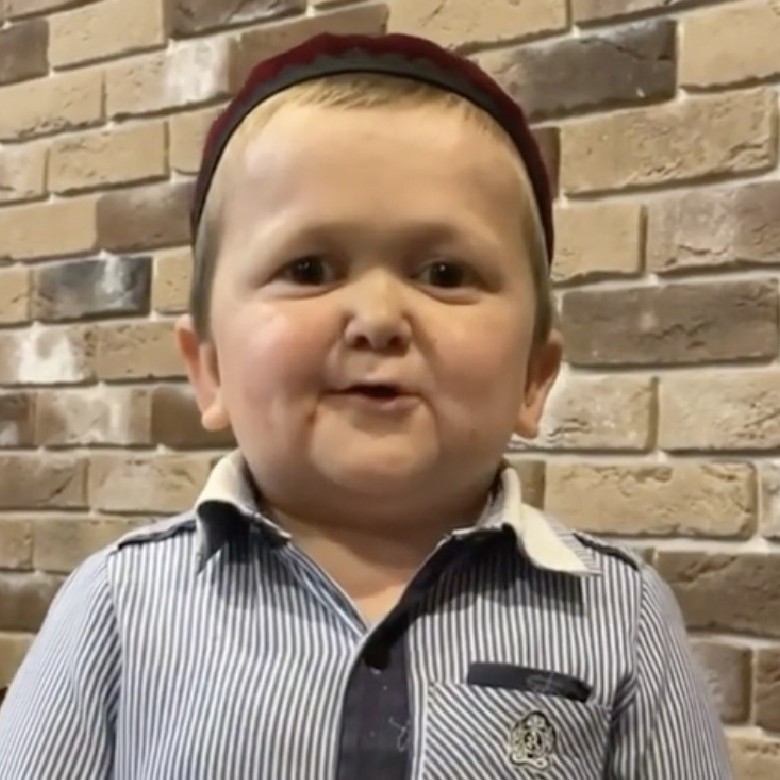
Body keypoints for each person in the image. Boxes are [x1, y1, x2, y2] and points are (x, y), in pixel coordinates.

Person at [0, 32, 731, 779]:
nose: (379, 317)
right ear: (210, 368)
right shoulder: (118, 607)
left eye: (445, 273)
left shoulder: (621, 619)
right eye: (308, 268)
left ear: (534, 379)